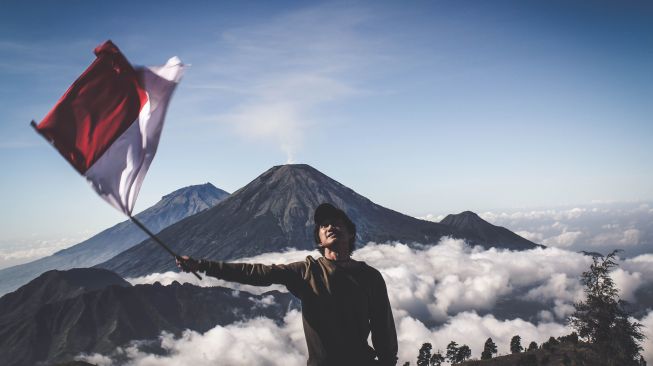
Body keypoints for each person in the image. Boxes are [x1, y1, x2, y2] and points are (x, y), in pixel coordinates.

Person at [176, 203, 398, 366]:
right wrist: (202, 265)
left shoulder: (370, 276)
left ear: (351, 234)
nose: (330, 226)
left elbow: (383, 327)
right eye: (324, 225)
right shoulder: (306, 272)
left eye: (337, 223)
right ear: (319, 240)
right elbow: (257, 273)